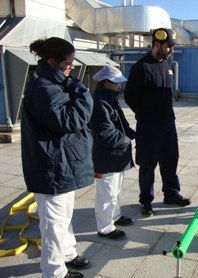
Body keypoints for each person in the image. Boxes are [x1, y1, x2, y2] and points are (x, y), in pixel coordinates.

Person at [21, 37, 94, 278]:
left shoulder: (56, 82)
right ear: (51, 62)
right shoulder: (43, 87)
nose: (72, 67)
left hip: (63, 162)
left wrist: (71, 85)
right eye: (68, 63)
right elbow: (69, 120)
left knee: (64, 216)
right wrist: (81, 91)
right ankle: (54, 272)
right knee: (53, 223)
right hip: (51, 166)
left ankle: (68, 254)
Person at [124, 27, 191, 217]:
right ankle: (146, 201)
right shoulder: (142, 67)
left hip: (168, 123)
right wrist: (145, 113)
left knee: (170, 160)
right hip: (149, 126)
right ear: (156, 44)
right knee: (148, 164)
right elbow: (129, 96)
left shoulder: (168, 64)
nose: (171, 50)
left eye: (172, 46)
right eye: (168, 46)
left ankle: (171, 194)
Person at [90, 66, 135, 240]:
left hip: (116, 156)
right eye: (116, 84)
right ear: (106, 83)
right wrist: (126, 140)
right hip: (105, 158)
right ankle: (105, 227)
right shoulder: (99, 103)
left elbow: (121, 123)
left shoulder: (110, 99)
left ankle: (114, 217)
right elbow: (105, 134)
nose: (119, 87)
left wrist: (131, 133)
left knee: (115, 191)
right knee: (106, 193)